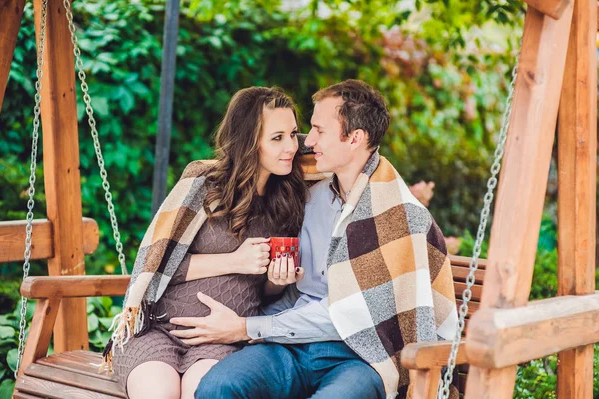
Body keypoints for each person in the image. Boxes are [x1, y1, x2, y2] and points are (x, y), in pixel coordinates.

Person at [176, 79, 459, 399]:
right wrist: (275, 289)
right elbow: (298, 292)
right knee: (217, 387)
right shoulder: (312, 199)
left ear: (355, 138)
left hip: (361, 355)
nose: (307, 142)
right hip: (292, 345)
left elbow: (351, 314)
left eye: (318, 130)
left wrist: (246, 328)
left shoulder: (396, 216)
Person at [102, 86, 308, 399]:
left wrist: (278, 281)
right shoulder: (204, 185)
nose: (291, 146)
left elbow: (263, 292)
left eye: (293, 134)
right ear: (249, 141)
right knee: (158, 393)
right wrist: (234, 260)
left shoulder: (287, 201)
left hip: (222, 338)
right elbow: (158, 264)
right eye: (277, 137)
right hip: (159, 330)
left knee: (206, 392)